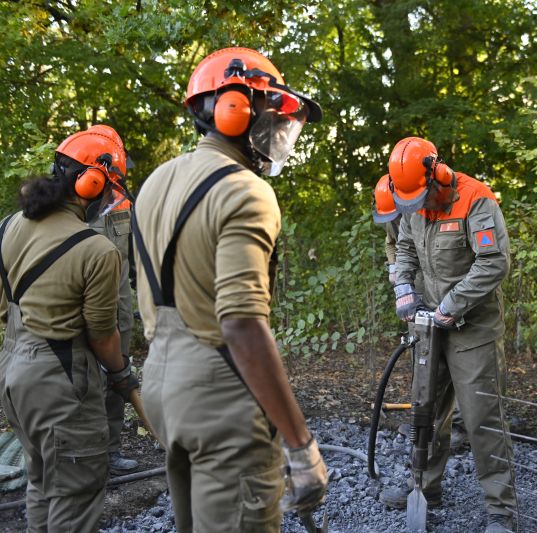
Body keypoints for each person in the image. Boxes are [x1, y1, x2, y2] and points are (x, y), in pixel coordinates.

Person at [132, 47, 327, 532]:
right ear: (234, 108)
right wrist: (300, 445)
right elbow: (240, 323)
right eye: (271, 113)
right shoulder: (245, 189)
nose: (279, 133)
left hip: (160, 384)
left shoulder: (155, 182)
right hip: (219, 393)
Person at [0, 126, 139, 531]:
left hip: (13, 376)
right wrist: (122, 376)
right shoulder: (97, 250)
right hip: (62, 384)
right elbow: (102, 335)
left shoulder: (9, 226)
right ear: (91, 181)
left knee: (42, 482)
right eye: (107, 188)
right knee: (75, 497)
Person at [378, 137, 516, 533]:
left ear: (438, 176)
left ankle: (501, 509)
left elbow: (493, 263)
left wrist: (450, 306)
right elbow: (404, 246)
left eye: (422, 199)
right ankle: (424, 486)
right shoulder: (412, 203)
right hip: (429, 328)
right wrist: (403, 286)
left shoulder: (476, 200)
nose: (417, 208)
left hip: (472, 328)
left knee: (482, 418)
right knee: (427, 410)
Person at [373, 174, 470, 449]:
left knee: (459, 361)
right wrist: (396, 271)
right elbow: (393, 242)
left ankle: (461, 427)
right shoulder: (394, 218)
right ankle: (425, 421)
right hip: (415, 292)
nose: (393, 221)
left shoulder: (427, 210)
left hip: (444, 292)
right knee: (425, 358)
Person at [85, 124, 140, 475]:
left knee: (119, 378)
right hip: (87, 313)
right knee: (86, 381)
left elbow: (136, 259)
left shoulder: (125, 203)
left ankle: (112, 450)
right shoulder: (72, 206)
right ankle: (87, 456)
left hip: (121, 310)